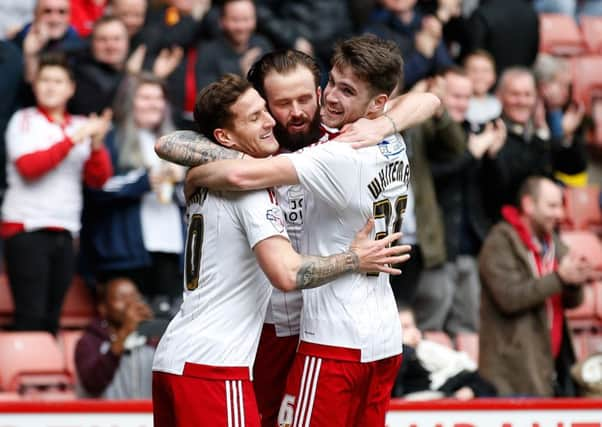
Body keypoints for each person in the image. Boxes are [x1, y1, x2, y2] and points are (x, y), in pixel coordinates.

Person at [156, 46, 439, 427]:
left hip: (324, 325)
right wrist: (235, 162)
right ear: (261, 104)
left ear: (320, 90)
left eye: (307, 97)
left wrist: (384, 123)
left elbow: (428, 98)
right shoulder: (259, 149)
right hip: (265, 329)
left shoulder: (342, 141)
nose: (298, 112)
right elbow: (167, 143)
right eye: (281, 103)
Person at [1, 52, 112, 334]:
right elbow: (29, 167)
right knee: (31, 316)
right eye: (45, 80)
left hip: (66, 230)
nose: (50, 86)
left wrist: (97, 145)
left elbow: (98, 180)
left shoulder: (79, 124)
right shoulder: (23, 119)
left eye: (58, 81)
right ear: (35, 85)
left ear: (70, 88)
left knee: (52, 320)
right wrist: (75, 139)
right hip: (26, 227)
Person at [479, 176, 601, 396]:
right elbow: (509, 298)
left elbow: (574, 302)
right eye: (552, 206)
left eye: (561, 206)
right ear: (529, 205)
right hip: (511, 375)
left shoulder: (552, 242)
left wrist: (575, 280)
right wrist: (560, 278)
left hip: (550, 366)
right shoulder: (499, 242)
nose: (560, 214)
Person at [80, 72, 186, 307]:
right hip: (126, 250)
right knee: (131, 326)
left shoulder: (175, 142)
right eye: (145, 97)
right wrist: (145, 181)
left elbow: (189, 200)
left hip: (170, 245)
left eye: (158, 98)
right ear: (129, 102)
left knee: (164, 325)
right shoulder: (111, 138)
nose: (153, 104)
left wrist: (181, 181)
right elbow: (98, 189)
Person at [392, 305, 496, 399]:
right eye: (405, 327)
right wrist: (405, 348)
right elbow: (395, 386)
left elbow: (483, 383)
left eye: (412, 326)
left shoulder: (429, 352)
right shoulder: (394, 361)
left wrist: (472, 390)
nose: (413, 332)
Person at [75, 276, 155, 399]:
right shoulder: (89, 342)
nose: (130, 303)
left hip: (145, 416)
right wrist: (125, 332)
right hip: (107, 417)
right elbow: (91, 383)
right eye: (121, 298)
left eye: (134, 297)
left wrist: (153, 328)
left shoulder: (151, 340)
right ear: (103, 308)